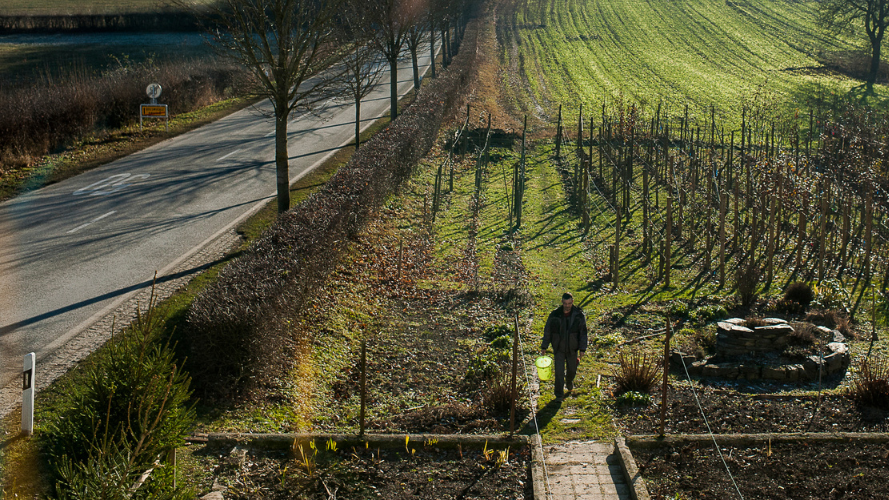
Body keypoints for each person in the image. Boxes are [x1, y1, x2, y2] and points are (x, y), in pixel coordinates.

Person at [540, 292, 588, 402]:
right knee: (559, 372)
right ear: (562, 302)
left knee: (572, 369)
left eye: (569, 303)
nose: (567, 306)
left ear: (572, 302)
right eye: (565, 303)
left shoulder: (579, 316)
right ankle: (559, 395)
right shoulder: (554, 315)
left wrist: (582, 348)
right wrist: (544, 346)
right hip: (558, 348)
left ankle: (569, 381)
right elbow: (548, 331)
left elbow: (583, 333)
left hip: (573, 348)